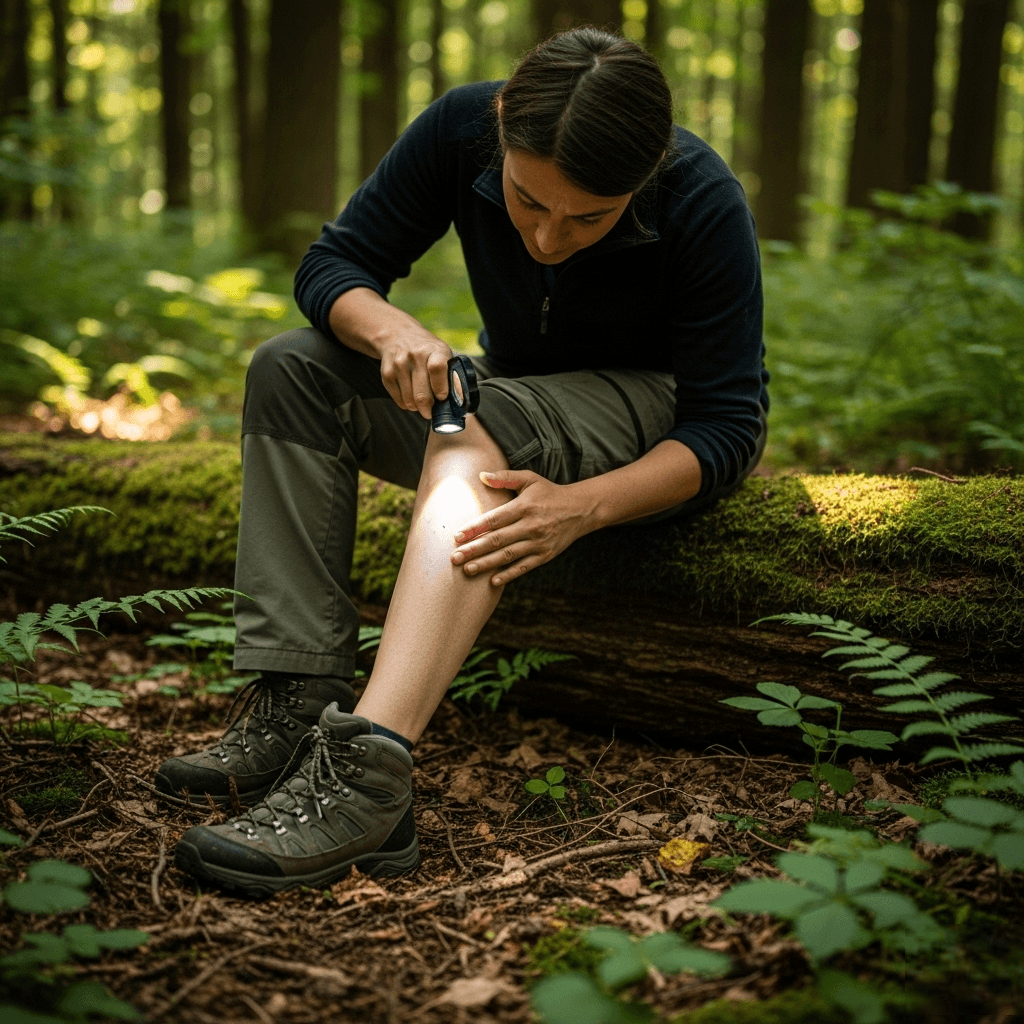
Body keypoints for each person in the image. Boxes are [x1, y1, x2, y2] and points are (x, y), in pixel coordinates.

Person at [157, 26, 768, 897]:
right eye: (527, 201)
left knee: (471, 427)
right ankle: (296, 698)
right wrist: (394, 328)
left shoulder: (703, 197)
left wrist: (585, 507)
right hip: (516, 394)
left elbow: (727, 427)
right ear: (503, 124)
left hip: (650, 412)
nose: (550, 238)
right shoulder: (457, 126)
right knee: (291, 369)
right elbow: (335, 263)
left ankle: (371, 773)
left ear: (645, 175)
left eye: (588, 217)